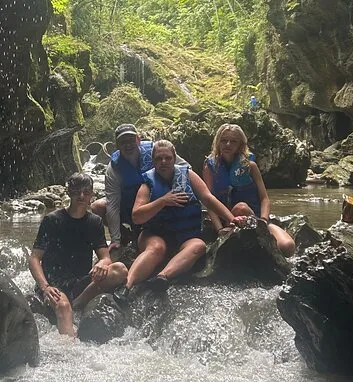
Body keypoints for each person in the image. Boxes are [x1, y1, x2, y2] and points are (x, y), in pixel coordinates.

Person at [113, 140, 247, 303]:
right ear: (153, 161)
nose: (163, 162)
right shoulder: (147, 183)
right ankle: (126, 286)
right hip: (154, 235)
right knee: (157, 247)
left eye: (168, 158)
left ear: (174, 158)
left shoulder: (188, 175)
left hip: (185, 236)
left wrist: (231, 218)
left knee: (198, 246)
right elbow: (137, 216)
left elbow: (208, 198)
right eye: (158, 158)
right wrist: (163, 201)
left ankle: (162, 277)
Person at [28, 173, 128, 337]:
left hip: (80, 283)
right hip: (54, 283)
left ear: (91, 194)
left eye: (86, 192)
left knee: (120, 269)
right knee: (63, 307)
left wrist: (102, 264)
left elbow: (105, 258)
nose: (81, 196)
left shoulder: (95, 222)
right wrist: (45, 287)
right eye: (76, 191)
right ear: (68, 192)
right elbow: (34, 258)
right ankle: (69, 348)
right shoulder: (52, 220)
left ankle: (78, 304)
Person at [202, 123, 296, 257]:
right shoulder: (210, 168)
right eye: (224, 140)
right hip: (228, 220)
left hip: (255, 218)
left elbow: (264, 198)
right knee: (241, 208)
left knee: (288, 246)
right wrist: (219, 230)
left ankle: (262, 233)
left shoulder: (250, 166)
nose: (228, 144)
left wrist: (263, 220)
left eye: (233, 141)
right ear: (218, 142)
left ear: (240, 145)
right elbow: (209, 201)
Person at [91, 123, 187, 251]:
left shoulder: (157, 152)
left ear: (138, 139)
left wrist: (176, 190)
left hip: (158, 201)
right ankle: (125, 235)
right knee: (97, 206)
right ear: (117, 145)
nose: (128, 145)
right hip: (130, 207)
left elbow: (185, 167)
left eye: (131, 140)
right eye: (123, 142)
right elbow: (112, 205)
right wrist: (115, 239)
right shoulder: (113, 168)